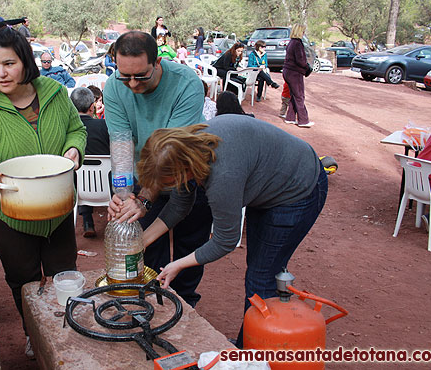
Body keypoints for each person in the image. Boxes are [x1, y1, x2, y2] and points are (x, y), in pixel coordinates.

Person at [136, 115, 328, 348]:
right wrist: (142, 241)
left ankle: (251, 356)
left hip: (297, 189)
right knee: (260, 271)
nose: (172, 187)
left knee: (261, 278)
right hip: (268, 179)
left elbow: (226, 240)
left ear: (186, 170)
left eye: (171, 182)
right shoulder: (183, 147)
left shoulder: (222, 176)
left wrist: (177, 264)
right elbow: (179, 204)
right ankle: (248, 345)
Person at [0, 27, 86, 359]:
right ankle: (34, 333)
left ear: (25, 61)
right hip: (7, 206)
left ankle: (67, 326)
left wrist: (74, 150)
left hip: (55, 200)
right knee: (23, 276)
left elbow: (77, 129)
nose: (0, 73)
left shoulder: (55, 92)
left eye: (9, 63)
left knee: (63, 268)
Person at [104, 31, 212, 308]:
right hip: (143, 173)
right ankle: (153, 302)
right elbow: (121, 143)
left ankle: (186, 304)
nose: (131, 84)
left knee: (190, 243)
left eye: (140, 76)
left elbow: (171, 154)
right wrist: (125, 194)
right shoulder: (114, 87)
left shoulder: (186, 82)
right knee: (147, 247)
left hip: (184, 171)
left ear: (158, 63)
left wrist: (144, 199)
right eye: (124, 75)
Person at [70, 87, 110, 237]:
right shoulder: (104, 126)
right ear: (91, 106)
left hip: (78, 191)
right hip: (107, 190)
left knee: (75, 172)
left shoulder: (67, 130)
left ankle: (87, 222)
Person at [283, 24, 314, 128]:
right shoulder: (297, 43)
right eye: (303, 31)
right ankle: (303, 120)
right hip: (294, 73)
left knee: (294, 95)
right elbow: (300, 60)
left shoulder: (291, 42)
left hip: (287, 72)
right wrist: (307, 68)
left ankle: (290, 118)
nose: (304, 33)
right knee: (300, 96)